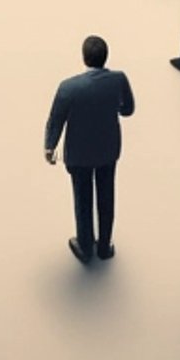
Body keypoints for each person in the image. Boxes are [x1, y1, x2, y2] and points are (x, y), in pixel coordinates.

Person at [43, 35, 135, 263]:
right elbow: (128, 108)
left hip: (79, 153)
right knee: (106, 195)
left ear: (84, 58)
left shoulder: (68, 88)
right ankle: (104, 245)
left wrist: (50, 146)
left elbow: (56, 120)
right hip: (108, 148)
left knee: (83, 199)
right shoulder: (118, 79)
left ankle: (85, 245)